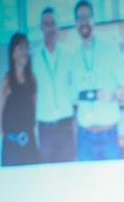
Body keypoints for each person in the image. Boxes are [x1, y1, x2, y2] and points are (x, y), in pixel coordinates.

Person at [70, 0, 124, 160]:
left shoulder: (109, 50)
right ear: (76, 23)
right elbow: (71, 94)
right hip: (84, 136)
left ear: (93, 19)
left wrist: (112, 95)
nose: (84, 21)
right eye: (80, 18)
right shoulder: (73, 57)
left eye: (87, 17)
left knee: (111, 176)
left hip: (108, 134)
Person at [34, 7, 75, 163]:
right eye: (46, 24)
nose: (50, 28)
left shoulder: (68, 55)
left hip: (66, 124)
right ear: (41, 27)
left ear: (58, 26)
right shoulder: (34, 57)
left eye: (53, 24)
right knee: (47, 171)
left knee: (69, 168)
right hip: (44, 127)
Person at [0, 32, 39, 166]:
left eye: (26, 48)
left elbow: (34, 109)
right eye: (21, 48)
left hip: (29, 143)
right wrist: (6, 139)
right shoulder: (7, 81)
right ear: (13, 53)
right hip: (12, 146)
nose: (25, 52)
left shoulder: (32, 79)